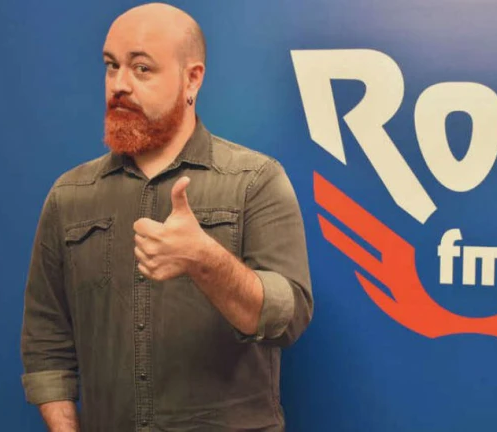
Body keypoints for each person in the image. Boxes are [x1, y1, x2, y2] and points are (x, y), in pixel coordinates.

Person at [20, 3, 313, 431]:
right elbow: (46, 342)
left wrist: (204, 260)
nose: (119, 85)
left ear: (192, 78)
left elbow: (288, 319)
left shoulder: (255, 181)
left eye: (142, 69)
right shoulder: (70, 196)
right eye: (111, 66)